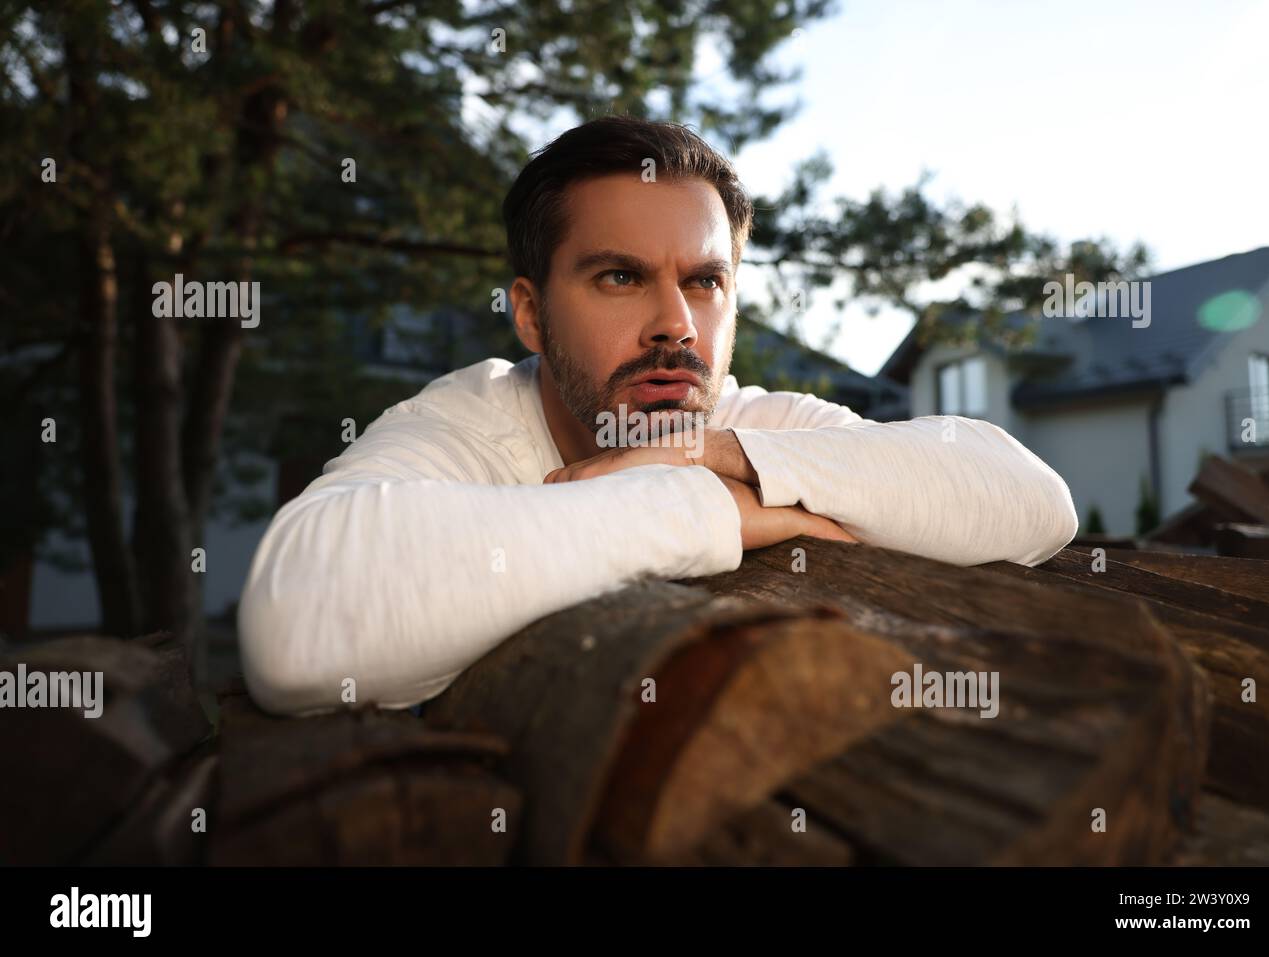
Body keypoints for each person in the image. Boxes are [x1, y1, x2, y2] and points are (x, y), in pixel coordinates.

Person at [238, 116, 1078, 717]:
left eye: (705, 281)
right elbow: (293, 626)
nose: (675, 323)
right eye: (620, 277)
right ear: (530, 315)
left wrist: (712, 462)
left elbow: (1033, 500)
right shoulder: (466, 423)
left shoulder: (747, 429)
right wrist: (709, 507)